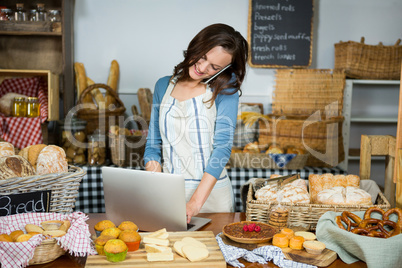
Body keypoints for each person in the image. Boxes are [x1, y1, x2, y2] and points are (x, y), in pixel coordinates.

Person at [144, 23, 248, 223]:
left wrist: (194, 203)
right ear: (196, 46)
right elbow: (152, 145)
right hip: (169, 196)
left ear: (224, 69)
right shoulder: (163, 85)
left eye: (214, 67)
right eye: (202, 57)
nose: (202, 68)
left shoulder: (225, 90)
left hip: (212, 200)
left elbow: (222, 149)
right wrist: (159, 189)